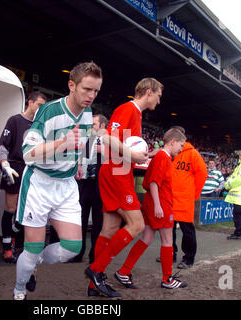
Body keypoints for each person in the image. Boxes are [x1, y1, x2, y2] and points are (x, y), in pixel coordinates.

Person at [12, 61, 103, 300]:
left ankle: (34, 263)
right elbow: (28, 153)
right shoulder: (48, 110)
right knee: (31, 249)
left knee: (72, 248)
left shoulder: (87, 114)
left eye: (96, 91)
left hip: (66, 186)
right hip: (39, 183)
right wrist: (61, 143)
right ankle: (20, 289)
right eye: (87, 89)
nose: (91, 96)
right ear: (72, 85)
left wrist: (79, 165)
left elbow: (82, 144)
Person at [85, 78, 162, 298]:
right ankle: (96, 270)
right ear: (149, 91)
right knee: (137, 225)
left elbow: (123, 145)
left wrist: (141, 156)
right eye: (158, 95)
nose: (159, 99)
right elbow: (107, 138)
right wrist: (133, 155)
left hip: (120, 170)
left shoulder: (136, 114)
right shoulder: (128, 108)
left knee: (109, 228)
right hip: (116, 172)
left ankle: (93, 286)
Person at [115, 128, 188, 289]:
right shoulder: (163, 157)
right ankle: (167, 279)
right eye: (181, 145)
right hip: (160, 203)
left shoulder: (162, 156)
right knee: (168, 241)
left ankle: (124, 271)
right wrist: (158, 205)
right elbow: (154, 182)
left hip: (153, 201)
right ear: (172, 142)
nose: (181, 149)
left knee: (147, 238)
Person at [0, 91, 47, 263]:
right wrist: (5, 165)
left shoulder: (42, 125)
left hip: (33, 169)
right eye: (39, 104)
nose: (41, 109)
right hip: (15, 166)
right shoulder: (15, 120)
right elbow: (2, 146)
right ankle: (7, 248)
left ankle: (21, 244)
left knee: (27, 210)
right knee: (10, 208)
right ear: (30, 102)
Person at [67, 114, 109, 264]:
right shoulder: (88, 139)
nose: (91, 127)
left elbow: (117, 158)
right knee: (81, 220)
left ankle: (94, 256)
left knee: (98, 223)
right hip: (85, 184)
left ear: (103, 126)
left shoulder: (109, 140)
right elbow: (80, 156)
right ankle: (78, 254)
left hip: (100, 187)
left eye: (94, 124)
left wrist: (103, 150)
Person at [167, 126, 207, 269]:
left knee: (187, 229)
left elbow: (203, 174)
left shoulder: (192, 154)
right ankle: (170, 253)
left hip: (184, 199)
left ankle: (189, 258)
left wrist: (194, 193)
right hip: (170, 197)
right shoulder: (170, 152)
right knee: (168, 228)